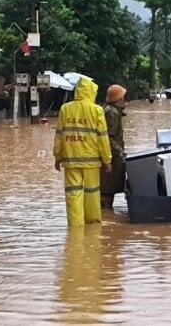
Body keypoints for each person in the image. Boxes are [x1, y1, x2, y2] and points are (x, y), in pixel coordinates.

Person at [53, 76, 112, 227]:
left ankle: (75, 227)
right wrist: (107, 160)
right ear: (92, 92)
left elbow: (59, 134)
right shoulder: (97, 110)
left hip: (71, 160)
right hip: (92, 161)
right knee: (92, 193)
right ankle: (93, 225)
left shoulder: (65, 109)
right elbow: (103, 138)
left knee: (73, 194)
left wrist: (57, 156)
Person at [101, 84, 127, 209]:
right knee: (108, 189)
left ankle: (106, 214)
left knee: (107, 188)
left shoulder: (109, 110)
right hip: (111, 156)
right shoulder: (112, 112)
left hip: (110, 155)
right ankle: (106, 212)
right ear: (119, 98)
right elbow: (109, 137)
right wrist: (119, 152)